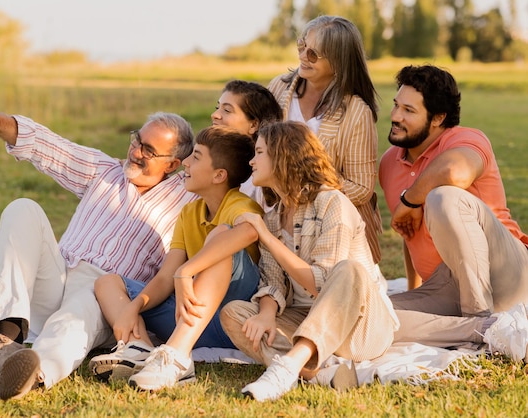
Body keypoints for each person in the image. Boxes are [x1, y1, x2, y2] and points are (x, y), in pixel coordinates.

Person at [0, 75, 197, 400]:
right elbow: (44, 144)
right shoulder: (104, 171)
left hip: (106, 292)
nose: (135, 151)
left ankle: (33, 374)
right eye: (137, 140)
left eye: (148, 150)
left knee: (74, 317)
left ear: (174, 164)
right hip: (58, 275)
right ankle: (5, 342)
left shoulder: (188, 199)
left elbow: (239, 181)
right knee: (22, 209)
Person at [219, 121, 399, 402]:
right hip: (306, 318)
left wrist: (267, 238)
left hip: (359, 328)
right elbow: (273, 281)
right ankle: (319, 375)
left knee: (348, 269)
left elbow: (323, 282)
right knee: (234, 313)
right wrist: (266, 313)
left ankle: (288, 366)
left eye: (259, 152)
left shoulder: (332, 202)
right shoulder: (275, 217)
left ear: (282, 156)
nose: (252, 160)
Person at [89, 125, 262, 391]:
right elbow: (165, 276)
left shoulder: (240, 205)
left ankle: (177, 359)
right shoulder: (190, 211)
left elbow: (251, 231)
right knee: (107, 282)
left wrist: (186, 271)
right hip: (190, 314)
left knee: (221, 237)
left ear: (219, 175)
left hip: (232, 320)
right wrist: (131, 309)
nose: (186, 162)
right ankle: (141, 349)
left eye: (196, 156)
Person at [379, 65, 528, 360]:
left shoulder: (467, 140)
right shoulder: (389, 163)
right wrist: (414, 292)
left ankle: (479, 317)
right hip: (445, 286)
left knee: (443, 198)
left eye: (409, 110)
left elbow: (454, 172)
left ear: (438, 118)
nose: (395, 116)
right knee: (368, 317)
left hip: (508, 274)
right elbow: (410, 234)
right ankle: (482, 331)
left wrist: (409, 201)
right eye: (397, 105)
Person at [267, 15, 383, 264]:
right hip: (275, 213)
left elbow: (362, 188)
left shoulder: (356, 111)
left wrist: (306, 190)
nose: (302, 56)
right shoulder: (278, 88)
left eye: (313, 54)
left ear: (338, 62)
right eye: (301, 46)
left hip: (329, 227)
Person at [211, 79, 282, 209]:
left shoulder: (262, 180)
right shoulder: (208, 159)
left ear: (254, 124)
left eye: (227, 110)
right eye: (217, 108)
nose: (215, 115)